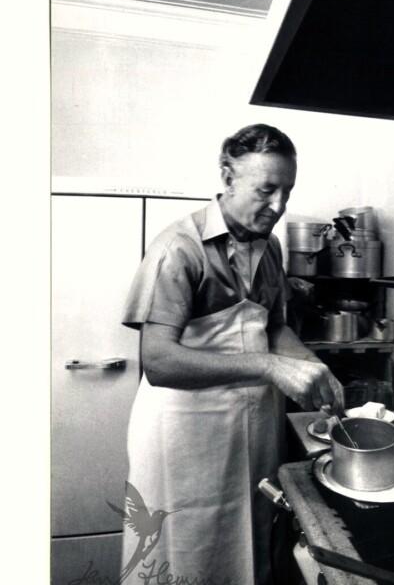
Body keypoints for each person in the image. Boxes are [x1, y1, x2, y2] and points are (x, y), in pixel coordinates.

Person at [119, 124, 344, 585]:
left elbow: (272, 326)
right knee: (188, 547)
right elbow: (159, 362)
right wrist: (269, 365)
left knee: (248, 544)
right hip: (186, 432)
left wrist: (312, 365)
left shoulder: (270, 246)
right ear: (227, 177)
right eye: (266, 190)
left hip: (251, 428)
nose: (279, 206)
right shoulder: (179, 248)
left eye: (287, 191)